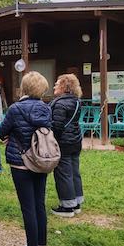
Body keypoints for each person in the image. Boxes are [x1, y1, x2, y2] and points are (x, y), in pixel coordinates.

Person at [0, 72, 52, 246]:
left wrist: (9, 136)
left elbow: (2, 131)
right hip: (41, 159)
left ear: (24, 87)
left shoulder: (15, 109)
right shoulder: (46, 109)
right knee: (39, 204)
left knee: (27, 206)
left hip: (20, 161)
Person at [49, 74, 84, 217]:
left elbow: (57, 126)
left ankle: (67, 207)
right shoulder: (76, 101)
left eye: (57, 84)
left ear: (64, 86)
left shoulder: (59, 104)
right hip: (75, 140)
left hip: (63, 142)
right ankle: (77, 203)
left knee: (63, 173)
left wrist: (52, 141)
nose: (54, 86)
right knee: (74, 172)